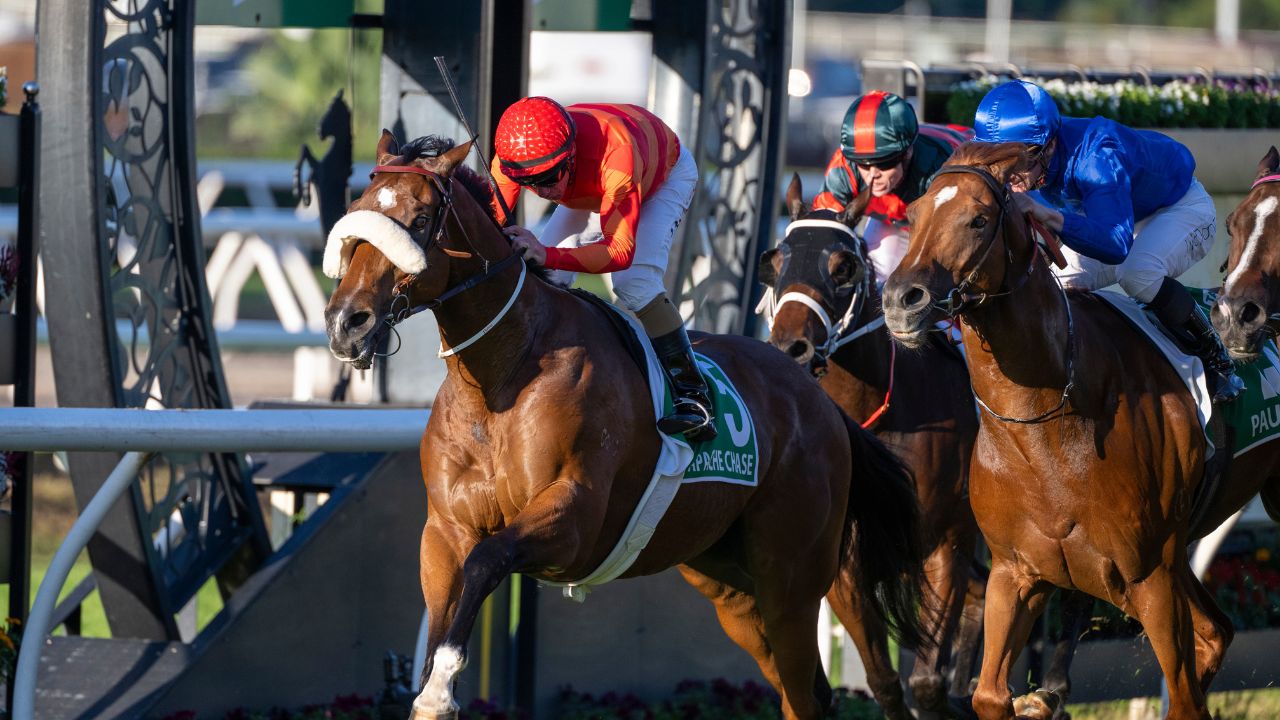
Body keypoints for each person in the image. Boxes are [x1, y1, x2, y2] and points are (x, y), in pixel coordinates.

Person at [973, 79, 1244, 402]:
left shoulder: (1097, 157)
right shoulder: (1038, 153)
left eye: (1019, 161)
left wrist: (1048, 217)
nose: (1009, 174)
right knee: (1050, 287)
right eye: (997, 161)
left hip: (1180, 208)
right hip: (1114, 215)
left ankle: (1216, 359)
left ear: (1050, 146)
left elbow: (1116, 245)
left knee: (1137, 272)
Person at [489, 96, 716, 441]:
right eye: (529, 183)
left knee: (633, 282)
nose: (542, 191)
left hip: (659, 179)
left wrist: (546, 253)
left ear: (571, 155)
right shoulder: (516, 157)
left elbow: (619, 252)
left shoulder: (616, 155)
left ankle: (694, 396)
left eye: (549, 178)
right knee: (544, 279)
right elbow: (489, 225)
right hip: (592, 181)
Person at [813, 90, 970, 280]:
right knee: (877, 277)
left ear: (907, 154)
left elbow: (959, 235)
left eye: (884, 163)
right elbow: (821, 233)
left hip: (951, 212)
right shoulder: (844, 169)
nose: (873, 174)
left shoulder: (939, 168)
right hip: (896, 220)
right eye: (863, 163)